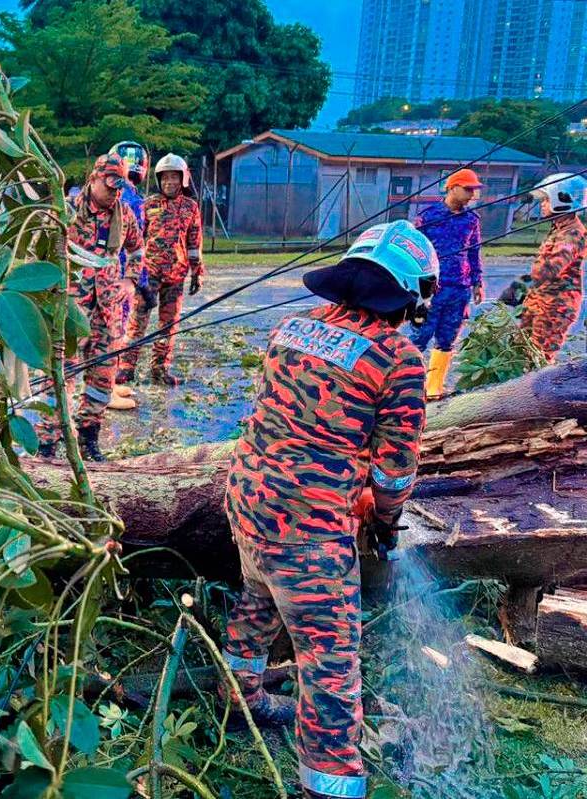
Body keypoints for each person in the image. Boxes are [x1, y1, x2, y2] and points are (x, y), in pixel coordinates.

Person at [221, 220, 435, 799]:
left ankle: (238, 700)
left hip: (247, 498)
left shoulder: (291, 329)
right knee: (330, 663)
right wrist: (384, 518)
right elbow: (393, 474)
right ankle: (331, 784)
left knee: (258, 595)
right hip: (309, 529)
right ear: (410, 293)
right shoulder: (399, 358)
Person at [36, 153, 144, 461]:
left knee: (102, 377)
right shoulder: (64, 211)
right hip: (70, 309)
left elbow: (137, 250)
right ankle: (48, 443)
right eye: (110, 186)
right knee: (59, 374)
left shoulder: (124, 214)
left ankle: (88, 440)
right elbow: (38, 255)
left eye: (120, 187)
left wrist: (130, 281)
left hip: (107, 311)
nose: (115, 193)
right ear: (93, 179)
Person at [116, 153, 204, 387]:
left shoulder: (191, 207)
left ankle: (160, 369)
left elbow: (195, 242)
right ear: (159, 179)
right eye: (165, 178)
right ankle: (127, 367)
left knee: (169, 325)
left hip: (176, 275)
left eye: (174, 177)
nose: (169, 182)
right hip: (149, 275)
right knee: (137, 320)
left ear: (183, 179)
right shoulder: (148, 204)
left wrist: (197, 272)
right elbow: (135, 240)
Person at [408, 168, 484, 400]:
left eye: (474, 190)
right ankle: (409, 387)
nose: (472, 194)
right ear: (452, 187)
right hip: (429, 289)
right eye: (468, 189)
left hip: (459, 289)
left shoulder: (471, 219)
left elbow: (474, 252)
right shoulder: (428, 216)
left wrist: (477, 282)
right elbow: (413, 250)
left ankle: (433, 389)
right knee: (418, 336)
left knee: (447, 338)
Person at [519, 172, 587, 363]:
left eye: (546, 200)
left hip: (555, 307)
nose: (542, 204)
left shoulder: (573, 233)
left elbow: (550, 269)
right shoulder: (559, 228)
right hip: (539, 301)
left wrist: (520, 285)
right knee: (519, 353)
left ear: (562, 199)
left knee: (537, 360)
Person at [106, 140, 150, 409]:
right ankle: (104, 392)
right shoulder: (131, 197)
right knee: (114, 333)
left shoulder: (115, 192)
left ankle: (109, 384)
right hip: (119, 277)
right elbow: (134, 245)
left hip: (109, 274)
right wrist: (142, 283)